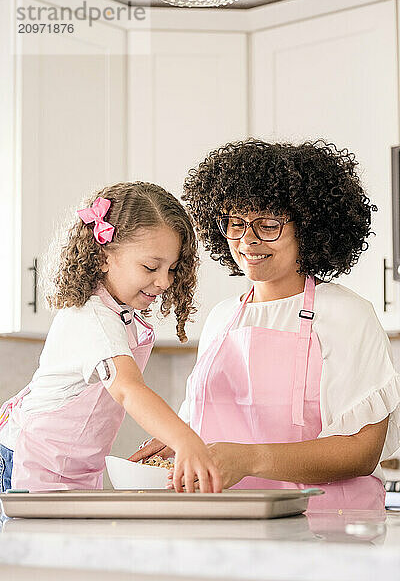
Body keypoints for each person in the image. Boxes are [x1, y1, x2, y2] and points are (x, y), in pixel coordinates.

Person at [131, 139, 400, 510]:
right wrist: (175, 441)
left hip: (329, 531)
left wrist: (251, 459)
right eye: (235, 224)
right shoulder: (222, 318)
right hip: (231, 524)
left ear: (307, 227)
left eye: (268, 225)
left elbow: (361, 451)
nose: (248, 241)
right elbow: (206, 425)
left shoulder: (346, 313)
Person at [0, 182, 221, 494]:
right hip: (30, 462)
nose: (163, 281)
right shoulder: (93, 318)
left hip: (70, 468)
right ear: (103, 256)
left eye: (172, 269)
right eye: (150, 267)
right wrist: (185, 440)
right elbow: (128, 389)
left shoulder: (121, 314)